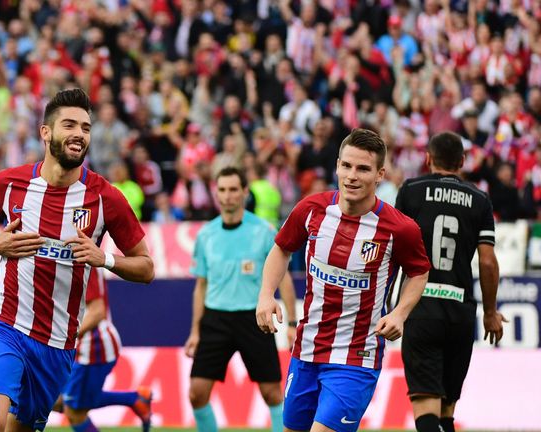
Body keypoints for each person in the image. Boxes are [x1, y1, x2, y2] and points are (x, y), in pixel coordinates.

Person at [0, 88, 154, 432]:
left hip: (57, 345)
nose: (79, 134)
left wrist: (105, 258)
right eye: (69, 125)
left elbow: (146, 267)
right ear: (46, 132)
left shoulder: (106, 198)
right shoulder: (9, 183)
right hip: (4, 323)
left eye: (86, 127)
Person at [257, 128, 431, 432]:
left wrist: (401, 313)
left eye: (363, 169)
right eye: (347, 166)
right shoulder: (312, 210)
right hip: (307, 348)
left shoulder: (399, 229)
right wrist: (265, 294)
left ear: (379, 174)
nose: (352, 176)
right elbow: (282, 249)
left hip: (356, 356)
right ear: (337, 165)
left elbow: (419, 271)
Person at [394, 131, 504, 432]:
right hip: (460, 312)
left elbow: (392, 249)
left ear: (428, 159)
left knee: (425, 407)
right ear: (463, 162)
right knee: (446, 411)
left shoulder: (411, 191)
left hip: (421, 308)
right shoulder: (480, 200)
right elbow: (487, 260)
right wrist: (491, 312)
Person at [185, 166, 296, 432]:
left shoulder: (264, 231)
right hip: (215, 319)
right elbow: (201, 286)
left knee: (272, 393)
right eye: (222, 190)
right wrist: (195, 331)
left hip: (253, 318)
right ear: (216, 194)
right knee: (196, 393)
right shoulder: (206, 234)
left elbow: (285, 279)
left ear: (245, 192)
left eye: (234, 189)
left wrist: (291, 323)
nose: (227, 196)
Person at [52, 267, 152, 432]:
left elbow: (97, 312)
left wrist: (66, 337)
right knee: (58, 401)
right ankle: (135, 399)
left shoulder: (84, 262)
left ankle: (135, 399)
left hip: (94, 347)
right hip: (80, 346)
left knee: (74, 412)